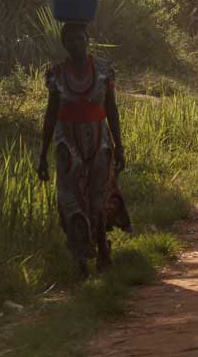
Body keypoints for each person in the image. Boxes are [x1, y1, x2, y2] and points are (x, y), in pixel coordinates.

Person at [38, 23, 132, 279]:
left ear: (87, 39)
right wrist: (42, 153)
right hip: (67, 144)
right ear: (65, 44)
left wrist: (119, 146)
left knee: (98, 198)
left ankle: (103, 249)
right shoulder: (56, 74)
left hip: (99, 142)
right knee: (71, 201)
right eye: (71, 40)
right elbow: (51, 114)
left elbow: (111, 110)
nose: (77, 44)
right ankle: (80, 258)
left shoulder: (103, 70)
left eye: (80, 39)